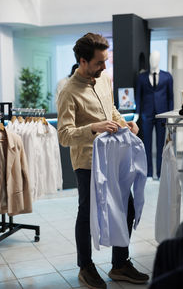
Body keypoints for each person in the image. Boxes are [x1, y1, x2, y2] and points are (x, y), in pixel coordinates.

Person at [57, 33, 149, 289]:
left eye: (105, 61)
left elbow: (112, 110)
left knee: (127, 208)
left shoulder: (104, 80)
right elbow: (64, 136)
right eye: (100, 62)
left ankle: (120, 264)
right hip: (87, 162)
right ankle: (85, 267)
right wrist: (93, 128)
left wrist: (125, 124)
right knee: (87, 214)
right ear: (83, 61)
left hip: (114, 157)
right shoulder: (68, 92)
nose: (105, 66)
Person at [136, 50, 174, 179]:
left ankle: (159, 172)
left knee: (160, 145)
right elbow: (138, 97)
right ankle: (148, 172)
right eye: (152, 58)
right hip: (146, 114)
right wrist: (137, 113)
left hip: (162, 114)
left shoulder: (167, 76)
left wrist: (170, 114)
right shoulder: (141, 77)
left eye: (156, 58)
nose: (153, 61)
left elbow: (170, 97)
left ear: (159, 60)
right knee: (146, 144)